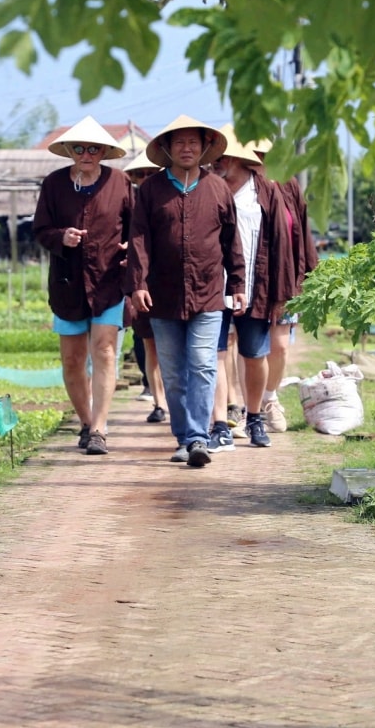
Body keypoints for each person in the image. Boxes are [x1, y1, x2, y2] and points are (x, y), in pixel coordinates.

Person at [128, 115, 245, 468]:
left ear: (205, 147)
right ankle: (184, 436)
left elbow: (230, 240)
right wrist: (137, 283)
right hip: (162, 296)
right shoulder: (150, 191)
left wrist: (237, 283)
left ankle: (197, 438)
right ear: (166, 149)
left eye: (193, 142)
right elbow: (138, 239)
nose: (187, 148)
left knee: (203, 364)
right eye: (179, 143)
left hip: (208, 292)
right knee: (175, 371)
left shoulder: (218, 188)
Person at [33, 116, 134, 456]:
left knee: (105, 350)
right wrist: (62, 236)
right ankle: (87, 421)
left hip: (108, 282)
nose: (87, 154)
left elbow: (136, 228)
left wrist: (129, 248)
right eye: (80, 148)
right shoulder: (54, 184)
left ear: (104, 151)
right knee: (72, 359)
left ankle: (101, 428)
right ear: (71, 152)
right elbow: (40, 230)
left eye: (93, 148)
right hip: (67, 284)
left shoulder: (120, 182)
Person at [209, 126, 294, 450]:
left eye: (225, 157)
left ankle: (255, 416)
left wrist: (281, 295)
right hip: (213, 287)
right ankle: (219, 423)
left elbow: (281, 246)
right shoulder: (208, 187)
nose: (218, 162)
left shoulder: (265, 192)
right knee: (214, 354)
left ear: (241, 160)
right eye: (216, 157)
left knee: (254, 355)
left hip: (255, 286)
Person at [249, 138, 319, 433]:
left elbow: (302, 229)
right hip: (249, 277)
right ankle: (244, 407)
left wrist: (310, 273)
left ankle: (269, 398)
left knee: (279, 346)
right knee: (249, 348)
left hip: (286, 277)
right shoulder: (239, 182)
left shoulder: (288, 183)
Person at [123, 150, 166, 423]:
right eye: (141, 174)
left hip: (168, 279)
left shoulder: (172, 198)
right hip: (139, 280)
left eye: (152, 173)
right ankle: (158, 401)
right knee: (148, 342)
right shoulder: (129, 203)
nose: (146, 178)